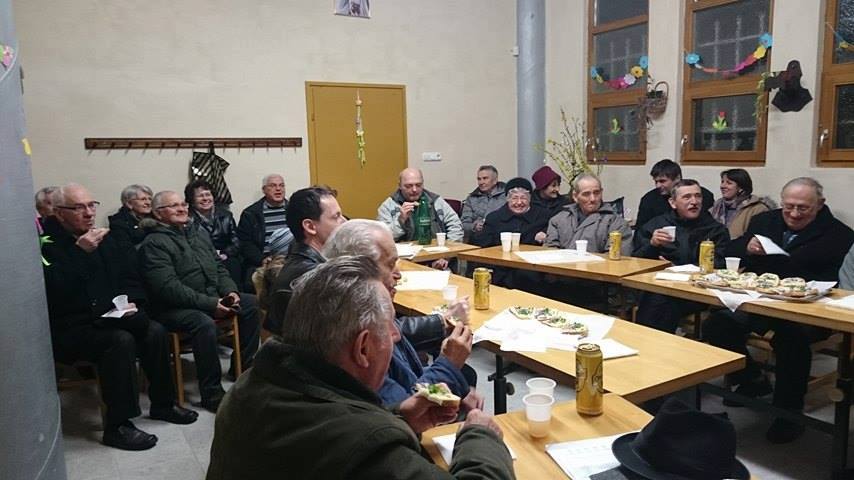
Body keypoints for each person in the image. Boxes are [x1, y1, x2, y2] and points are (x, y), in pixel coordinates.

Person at [206, 256, 514, 480]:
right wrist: (480, 437)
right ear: (363, 348)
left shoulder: (250, 385)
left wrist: (399, 419)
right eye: (390, 324)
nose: (397, 334)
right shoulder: (366, 447)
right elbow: (352, 442)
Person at [42, 184, 197, 451]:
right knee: (119, 341)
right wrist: (80, 253)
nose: (89, 213)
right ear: (58, 213)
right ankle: (118, 425)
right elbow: (55, 292)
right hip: (72, 325)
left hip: (111, 315)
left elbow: (130, 276)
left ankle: (163, 404)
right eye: (78, 207)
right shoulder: (47, 244)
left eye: (91, 205)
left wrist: (133, 303)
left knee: (154, 330)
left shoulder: (106, 238)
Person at [704, 177, 854, 443]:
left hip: (808, 308)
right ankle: (752, 379)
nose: (794, 214)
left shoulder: (839, 234)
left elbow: (834, 281)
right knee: (717, 324)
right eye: (789, 207)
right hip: (760, 301)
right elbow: (733, 249)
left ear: (820, 204)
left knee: (791, 340)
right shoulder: (766, 221)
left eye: (803, 208)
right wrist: (748, 249)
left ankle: (789, 412)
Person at [322, 220, 482, 410]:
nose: (398, 274)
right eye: (390, 265)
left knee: (465, 378)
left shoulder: (351, 307)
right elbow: (407, 409)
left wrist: (453, 378)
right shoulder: (356, 331)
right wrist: (449, 364)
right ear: (357, 270)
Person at [138, 191, 261, 413]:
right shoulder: (153, 243)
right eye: (173, 206)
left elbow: (219, 267)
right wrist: (211, 304)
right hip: (173, 308)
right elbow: (168, 288)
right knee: (203, 323)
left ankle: (242, 370)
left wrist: (230, 291)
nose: (181, 209)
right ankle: (211, 393)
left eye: (183, 204)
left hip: (209, 296)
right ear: (157, 213)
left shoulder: (197, 234)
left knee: (251, 303)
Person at [633, 179, 730, 333]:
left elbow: (720, 265)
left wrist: (677, 269)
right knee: (655, 299)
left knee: (660, 304)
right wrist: (652, 244)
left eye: (698, 196)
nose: (694, 202)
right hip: (658, 286)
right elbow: (636, 260)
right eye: (687, 197)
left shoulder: (715, 229)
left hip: (696, 291)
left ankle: (652, 341)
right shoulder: (658, 224)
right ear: (673, 203)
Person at [265, 186, 346, 334]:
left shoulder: (304, 260)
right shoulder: (316, 276)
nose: (344, 221)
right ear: (310, 226)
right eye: (336, 217)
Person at [377, 167, 463, 270]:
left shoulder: (435, 201)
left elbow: (456, 226)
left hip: (437, 258)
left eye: (418, 185)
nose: (414, 190)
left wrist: (446, 255)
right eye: (408, 186)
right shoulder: (388, 206)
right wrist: (400, 221)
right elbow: (383, 239)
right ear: (399, 186)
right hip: (403, 263)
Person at [474, 177, 551, 292]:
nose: (519, 202)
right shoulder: (494, 218)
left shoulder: (543, 216)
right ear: (507, 199)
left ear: (530, 199)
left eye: (523, 198)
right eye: (514, 198)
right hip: (500, 270)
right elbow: (484, 248)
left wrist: (545, 234)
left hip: (532, 271)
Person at [545, 173, 632, 255]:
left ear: (601, 192)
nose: (593, 199)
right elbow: (549, 252)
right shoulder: (559, 220)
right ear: (575, 196)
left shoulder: (616, 224)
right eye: (586, 194)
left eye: (596, 193)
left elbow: (615, 258)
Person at [185, 179, 242, 285]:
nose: (205, 198)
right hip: (200, 260)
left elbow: (236, 242)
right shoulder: (186, 219)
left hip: (225, 257)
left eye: (208, 194)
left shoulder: (226, 215)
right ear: (192, 200)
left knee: (234, 264)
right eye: (200, 196)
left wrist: (225, 254)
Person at [236, 174, 289, 289]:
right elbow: (244, 243)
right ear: (264, 190)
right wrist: (262, 259)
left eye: (281, 185)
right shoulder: (250, 213)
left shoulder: (294, 210)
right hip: (263, 262)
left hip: (290, 259)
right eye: (273, 186)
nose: (278, 189)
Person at [634, 159, 715, 234]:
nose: (658, 185)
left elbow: (709, 223)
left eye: (662, 181)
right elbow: (640, 231)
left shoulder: (704, 195)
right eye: (656, 182)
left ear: (677, 178)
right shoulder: (649, 200)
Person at [709, 168, 775, 240]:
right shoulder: (716, 207)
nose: (723, 186)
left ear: (741, 188)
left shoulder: (757, 209)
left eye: (729, 183)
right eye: (722, 182)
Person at [460, 165, 505, 242]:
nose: (481, 182)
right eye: (479, 179)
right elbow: (463, 224)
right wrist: (474, 226)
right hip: (478, 239)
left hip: (501, 239)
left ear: (495, 180)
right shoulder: (471, 198)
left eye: (485, 178)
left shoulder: (507, 196)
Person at [108, 184, 154, 252]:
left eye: (150, 199)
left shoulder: (156, 217)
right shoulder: (119, 223)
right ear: (129, 204)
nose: (148, 203)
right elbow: (126, 251)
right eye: (143, 199)